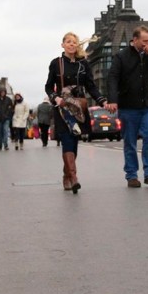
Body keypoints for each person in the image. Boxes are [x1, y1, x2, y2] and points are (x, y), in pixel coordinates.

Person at [46, 32, 113, 193]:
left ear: (77, 45)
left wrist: (102, 101)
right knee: (67, 139)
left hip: (79, 107)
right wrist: (56, 99)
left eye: (74, 42)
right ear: (62, 44)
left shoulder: (83, 64)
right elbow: (48, 87)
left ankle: (66, 174)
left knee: (74, 143)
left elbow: (91, 86)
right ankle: (74, 177)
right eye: (68, 42)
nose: (71, 44)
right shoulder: (57, 63)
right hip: (62, 107)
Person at [107, 25, 148, 188]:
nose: (147, 44)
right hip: (128, 106)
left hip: (147, 105)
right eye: (144, 41)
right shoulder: (121, 56)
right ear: (135, 40)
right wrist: (113, 99)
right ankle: (132, 175)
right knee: (130, 142)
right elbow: (112, 78)